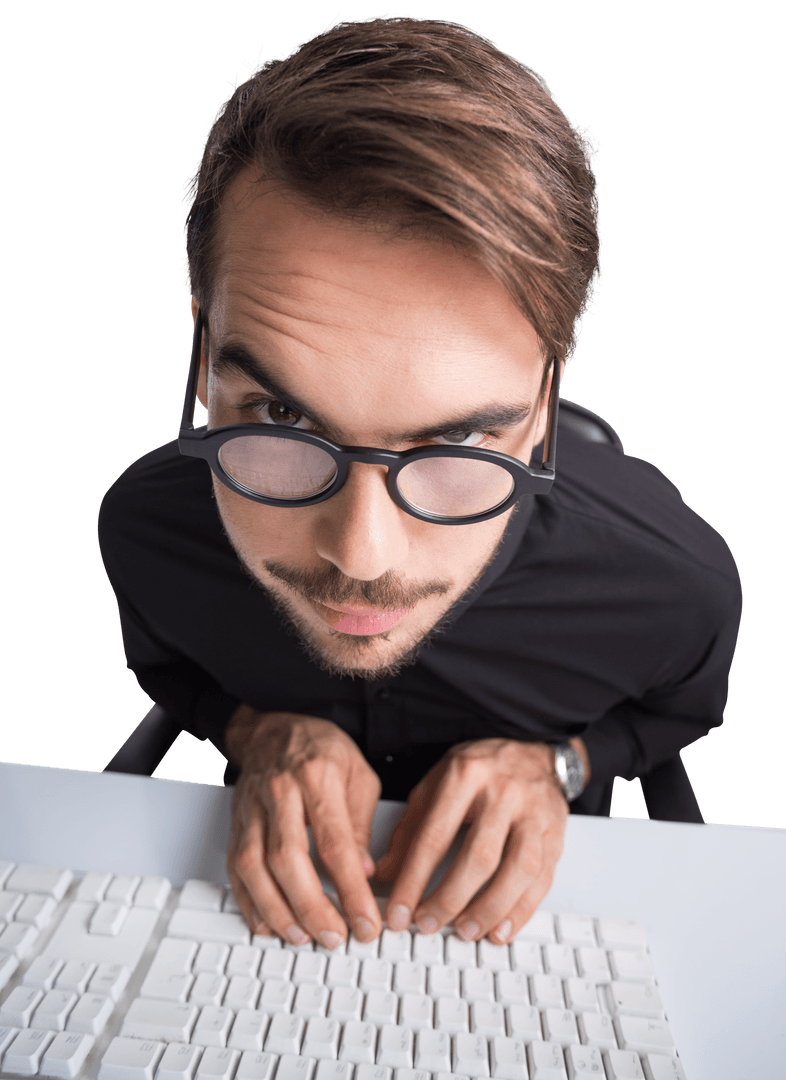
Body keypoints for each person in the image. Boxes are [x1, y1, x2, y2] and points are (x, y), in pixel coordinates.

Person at [98, 15, 741, 952]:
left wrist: (560, 766)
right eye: (282, 419)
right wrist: (253, 731)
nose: (360, 557)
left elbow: (682, 709)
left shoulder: (673, 580)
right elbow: (169, 668)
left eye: (463, 439)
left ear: (547, 392)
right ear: (202, 342)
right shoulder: (148, 531)